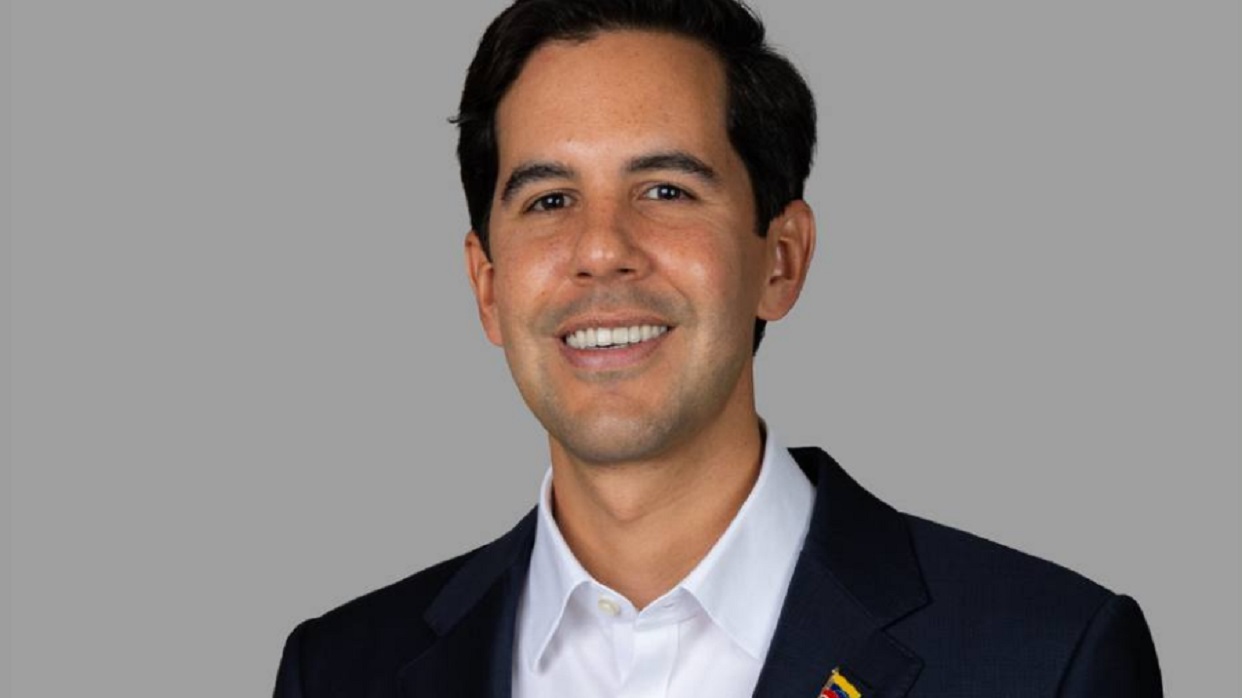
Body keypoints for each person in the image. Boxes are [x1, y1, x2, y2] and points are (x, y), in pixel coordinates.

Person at [273, 0, 1162, 695]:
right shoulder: (341, 672)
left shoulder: (1047, 658)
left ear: (781, 259)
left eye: (665, 189)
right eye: (549, 200)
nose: (600, 249)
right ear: (488, 286)